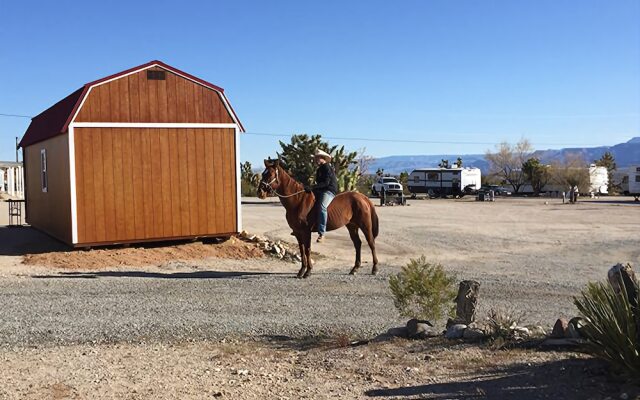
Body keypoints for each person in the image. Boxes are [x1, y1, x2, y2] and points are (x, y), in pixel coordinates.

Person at [304, 149, 338, 242]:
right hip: (321, 190)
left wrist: (313, 187)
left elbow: (326, 183)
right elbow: (319, 183)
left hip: (329, 190)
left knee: (322, 207)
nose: (315, 160)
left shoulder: (327, 167)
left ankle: (322, 233)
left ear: (322, 158)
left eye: (317, 158)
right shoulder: (319, 169)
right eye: (315, 158)